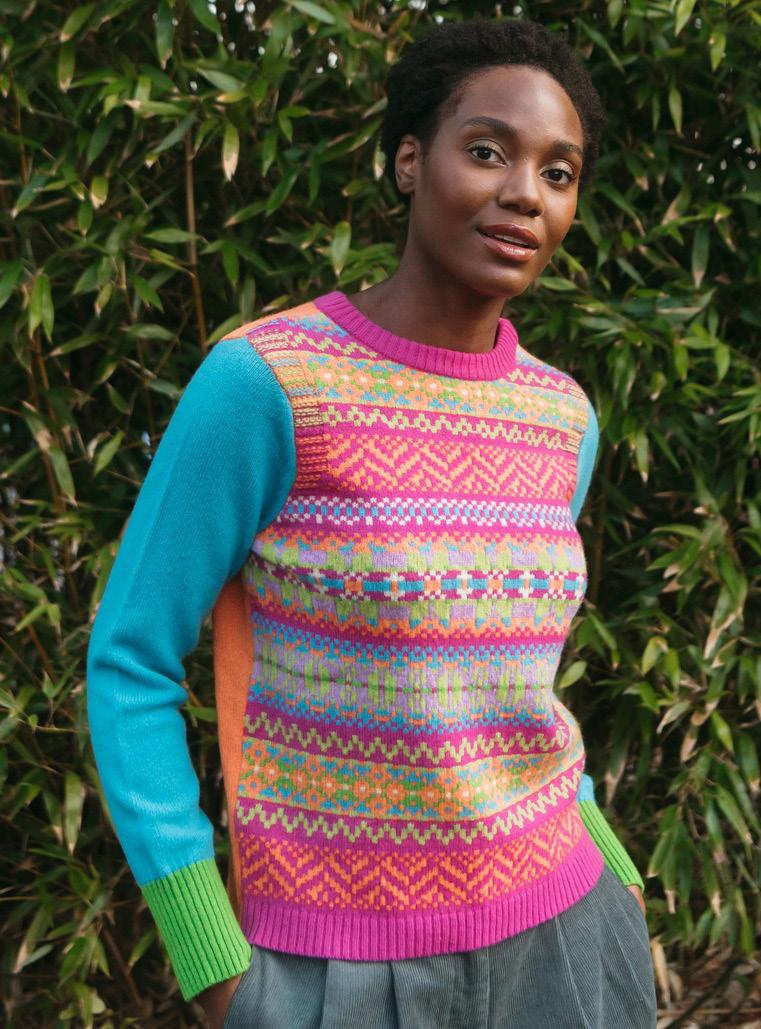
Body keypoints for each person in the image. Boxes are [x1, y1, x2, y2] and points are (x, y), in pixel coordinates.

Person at [87, 15, 658, 1029]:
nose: (524, 193)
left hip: (567, 937)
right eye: (486, 151)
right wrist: (209, 955)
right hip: (334, 970)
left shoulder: (561, 417)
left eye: (558, 172)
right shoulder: (268, 384)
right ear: (407, 161)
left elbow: (515, 681)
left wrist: (614, 873)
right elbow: (129, 660)